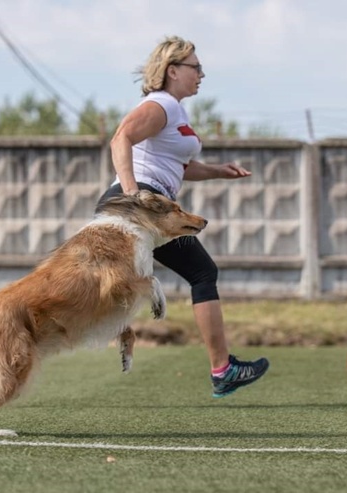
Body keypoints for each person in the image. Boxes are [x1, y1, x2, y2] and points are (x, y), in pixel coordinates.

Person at [96, 35, 269, 398]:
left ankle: (222, 368)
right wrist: (133, 197)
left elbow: (178, 165)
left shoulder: (175, 108)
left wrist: (219, 171)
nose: (201, 74)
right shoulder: (161, 104)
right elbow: (120, 138)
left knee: (188, 274)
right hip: (142, 205)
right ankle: (223, 370)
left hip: (149, 204)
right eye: (195, 67)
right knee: (202, 272)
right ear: (173, 71)